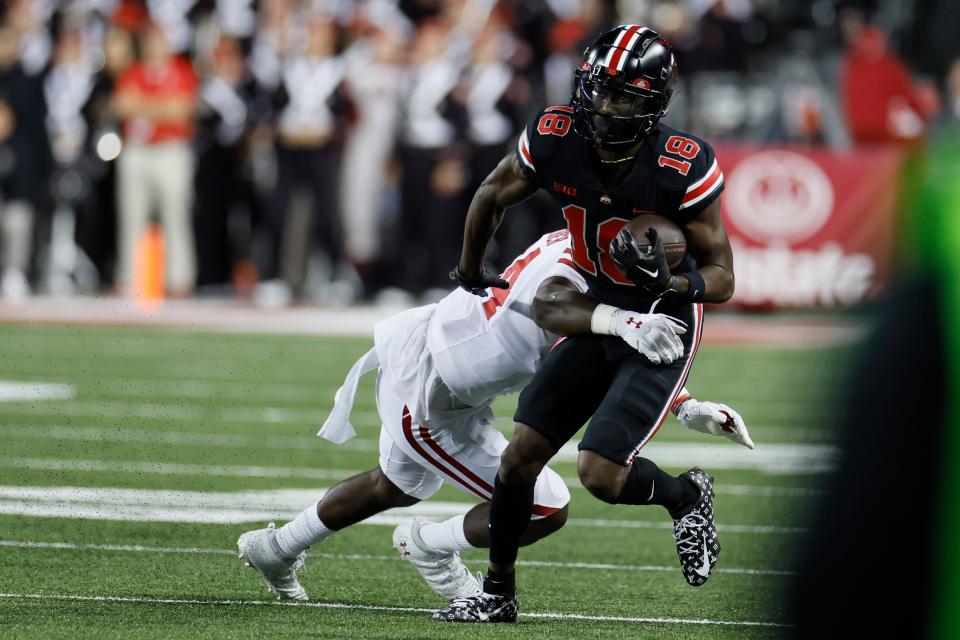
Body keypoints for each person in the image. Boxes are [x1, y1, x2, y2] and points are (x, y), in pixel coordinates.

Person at [236, 229, 751, 602]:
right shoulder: (569, 282)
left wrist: (685, 405)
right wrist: (633, 336)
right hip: (434, 395)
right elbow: (568, 348)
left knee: (395, 485)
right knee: (544, 505)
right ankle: (428, 546)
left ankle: (277, 547)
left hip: (433, 351)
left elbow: (589, 360)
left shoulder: (576, 242)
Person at [437, 25, 735, 622]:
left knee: (600, 473)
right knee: (519, 458)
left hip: (664, 321)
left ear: (653, 101)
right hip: (600, 308)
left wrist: (672, 284)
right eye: (598, 90)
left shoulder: (682, 164)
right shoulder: (554, 135)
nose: (604, 106)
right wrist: (471, 268)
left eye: (623, 96)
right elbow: (492, 194)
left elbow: (723, 275)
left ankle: (684, 495)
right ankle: (497, 594)